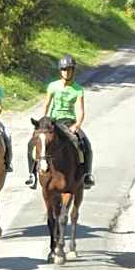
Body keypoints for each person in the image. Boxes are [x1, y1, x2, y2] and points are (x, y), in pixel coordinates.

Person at [25, 54, 95, 190]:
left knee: (85, 143)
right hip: (53, 123)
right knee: (31, 144)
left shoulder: (78, 89)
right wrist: (41, 123)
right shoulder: (52, 86)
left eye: (69, 69)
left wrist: (77, 125)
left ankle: (87, 175)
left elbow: (81, 110)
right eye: (64, 69)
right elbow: (46, 105)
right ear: (60, 71)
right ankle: (32, 175)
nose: (66, 72)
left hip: (69, 122)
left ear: (73, 71)